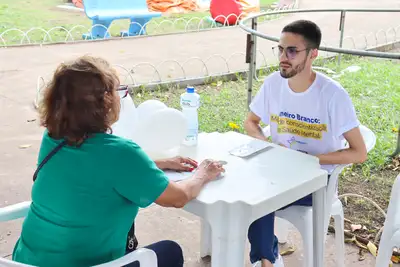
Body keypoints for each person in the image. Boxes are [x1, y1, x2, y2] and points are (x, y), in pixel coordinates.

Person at [12, 56, 225, 267]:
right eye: (117, 91)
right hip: (90, 262)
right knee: (170, 252)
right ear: (104, 101)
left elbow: (91, 168)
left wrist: (156, 164)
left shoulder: (52, 138)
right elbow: (178, 198)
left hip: (27, 261)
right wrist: (203, 173)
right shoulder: (121, 153)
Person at [244, 20, 367, 267]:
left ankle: (266, 259)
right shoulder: (273, 84)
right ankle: (269, 256)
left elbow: (359, 152)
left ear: (313, 54)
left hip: (316, 183)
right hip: (278, 173)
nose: (283, 57)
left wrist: (311, 159)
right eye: (280, 49)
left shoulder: (332, 95)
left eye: (292, 51)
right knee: (243, 189)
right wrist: (267, 145)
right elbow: (251, 122)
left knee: (258, 196)